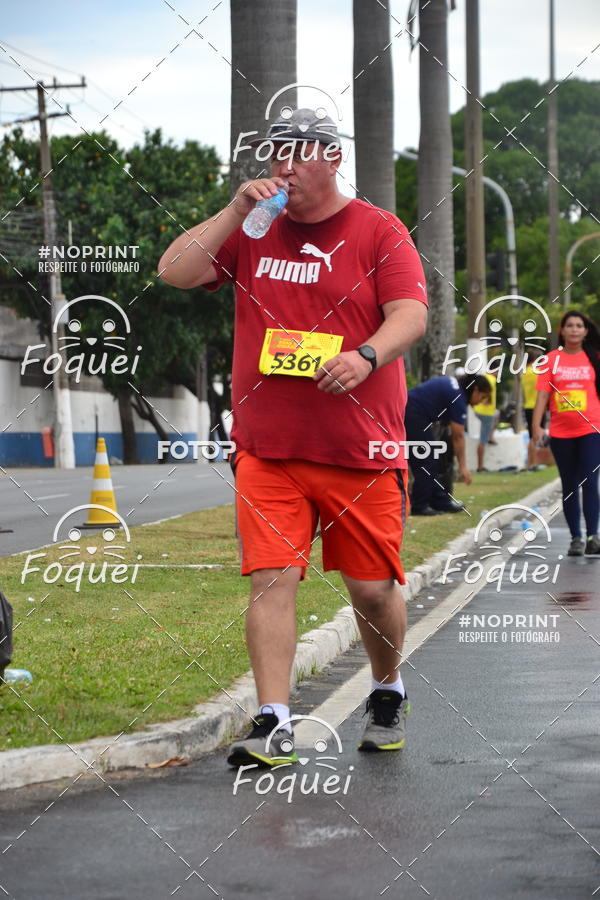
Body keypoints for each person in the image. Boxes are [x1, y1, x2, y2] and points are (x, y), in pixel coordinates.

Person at [158, 108, 429, 766]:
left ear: (333, 159)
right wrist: (231, 211)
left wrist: (364, 356)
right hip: (268, 448)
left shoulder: (377, 230)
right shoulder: (254, 228)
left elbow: (412, 314)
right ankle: (273, 719)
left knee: (370, 590)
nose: (285, 166)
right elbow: (174, 271)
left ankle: (387, 688)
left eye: (300, 154)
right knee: (272, 581)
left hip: (358, 448)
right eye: (276, 153)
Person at [532, 310, 600, 556]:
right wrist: (536, 425)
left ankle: (593, 536)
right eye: (569, 325)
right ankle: (576, 539)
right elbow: (542, 395)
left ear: (585, 331)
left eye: (579, 325)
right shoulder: (551, 360)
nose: (574, 329)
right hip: (561, 432)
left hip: (591, 428)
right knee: (570, 485)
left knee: (590, 482)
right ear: (562, 330)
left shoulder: (594, 358)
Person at [404, 374, 491, 515]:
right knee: (427, 457)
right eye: (482, 397)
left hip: (412, 411)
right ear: (475, 390)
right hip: (412, 413)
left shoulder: (455, 387)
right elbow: (458, 436)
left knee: (433, 456)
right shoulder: (458, 397)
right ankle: (419, 505)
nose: (480, 402)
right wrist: (463, 467)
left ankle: (440, 501)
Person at [472, 372, 499, 472]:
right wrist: (487, 402)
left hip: (479, 410)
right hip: (487, 413)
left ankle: (491, 436)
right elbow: (489, 395)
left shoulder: (484, 377)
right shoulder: (492, 380)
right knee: (482, 441)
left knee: (497, 413)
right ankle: (480, 466)